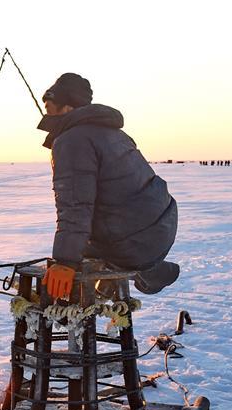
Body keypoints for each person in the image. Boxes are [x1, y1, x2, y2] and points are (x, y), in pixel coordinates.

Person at [37, 73, 180, 300]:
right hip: (161, 228)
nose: (46, 115)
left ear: (66, 107)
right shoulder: (113, 132)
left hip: (132, 240)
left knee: (77, 253)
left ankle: (84, 298)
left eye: (49, 107)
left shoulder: (72, 140)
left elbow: (75, 206)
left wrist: (64, 262)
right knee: (87, 241)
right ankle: (143, 269)